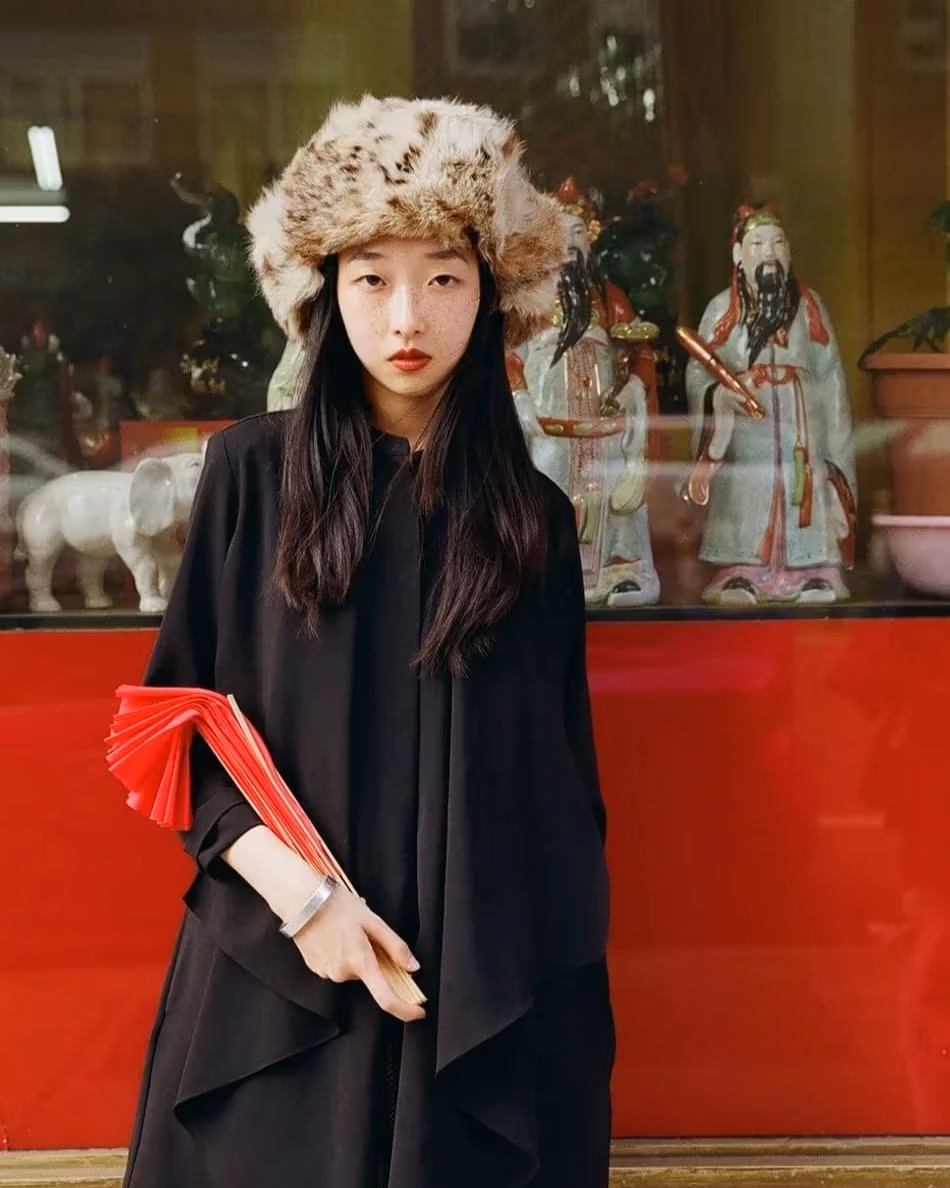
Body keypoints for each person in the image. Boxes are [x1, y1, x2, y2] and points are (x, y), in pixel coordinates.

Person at [121, 95, 614, 1188]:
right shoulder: (250, 476)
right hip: (275, 984)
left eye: (443, 275)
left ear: (490, 295)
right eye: (370, 277)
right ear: (323, 293)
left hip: (471, 994)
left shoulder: (532, 521)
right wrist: (312, 911)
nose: (407, 315)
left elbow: (556, 790)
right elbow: (174, 737)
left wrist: (530, 1003)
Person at [685, 205, 856, 605]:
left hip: (801, 428)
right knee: (749, 488)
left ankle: (812, 571)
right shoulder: (720, 311)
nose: (769, 253)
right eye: (758, 244)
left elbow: (831, 375)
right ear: (738, 256)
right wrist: (720, 396)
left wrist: (834, 437)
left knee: (803, 491)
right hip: (746, 435)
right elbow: (697, 375)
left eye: (778, 243)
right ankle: (739, 571)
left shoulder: (810, 307)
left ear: (790, 254)